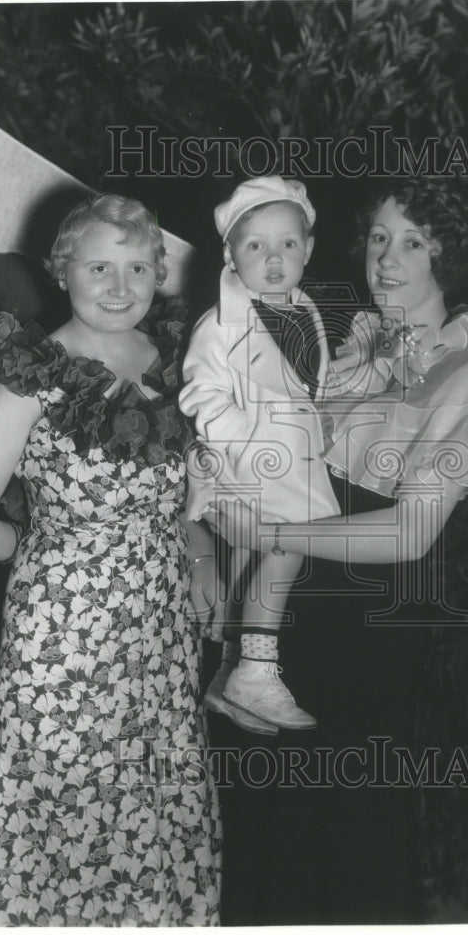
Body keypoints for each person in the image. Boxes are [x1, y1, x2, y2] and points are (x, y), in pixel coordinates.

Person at [212, 177, 468, 925]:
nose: (388, 258)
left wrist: (269, 537)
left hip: (370, 632)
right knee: (262, 824)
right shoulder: (350, 351)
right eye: (378, 238)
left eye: (413, 242)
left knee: (347, 827)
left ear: (449, 257)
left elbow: (408, 533)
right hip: (284, 625)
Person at [0, 193, 222, 927]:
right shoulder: (29, 379)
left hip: (159, 636)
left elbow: (189, 500)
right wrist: (61, 561)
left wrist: (196, 553)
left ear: (160, 273)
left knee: (157, 816)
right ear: (62, 271)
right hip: (65, 645)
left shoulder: (181, 366)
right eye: (100, 266)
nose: (120, 285)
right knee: (68, 821)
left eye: (137, 266)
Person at [179, 176, 340, 734]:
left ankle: (227, 674)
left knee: (255, 564)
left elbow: (305, 386)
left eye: (288, 245)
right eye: (255, 246)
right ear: (230, 254)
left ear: (308, 250)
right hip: (244, 460)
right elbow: (201, 394)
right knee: (288, 543)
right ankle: (257, 666)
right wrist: (246, 439)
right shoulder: (219, 324)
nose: (273, 259)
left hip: (290, 458)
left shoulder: (306, 311)